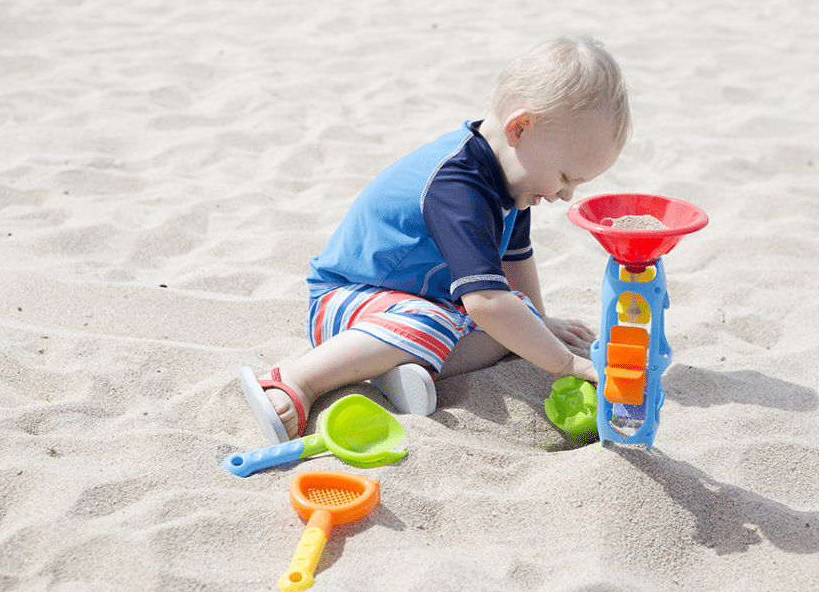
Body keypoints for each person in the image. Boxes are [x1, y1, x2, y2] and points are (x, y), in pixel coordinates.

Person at [240, 34, 633, 443]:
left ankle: (393, 368)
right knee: (483, 316)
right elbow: (484, 301)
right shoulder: (456, 185)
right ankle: (299, 380)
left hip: (415, 308)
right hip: (346, 301)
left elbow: (515, 261)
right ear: (519, 128)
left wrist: (540, 320)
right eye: (566, 176)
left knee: (517, 320)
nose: (567, 194)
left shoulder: (515, 182)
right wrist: (565, 364)